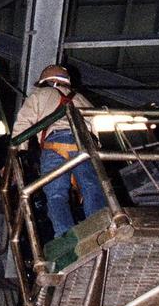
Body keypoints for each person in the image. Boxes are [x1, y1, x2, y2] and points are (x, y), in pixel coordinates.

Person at [11, 64, 107, 238]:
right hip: (83, 144)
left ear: (45, 81)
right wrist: (97, 148)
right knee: (91, 186)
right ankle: (100, 229)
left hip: (54, 146)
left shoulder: (40, 95)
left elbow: (23, 123)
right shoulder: (80, 98)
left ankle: (65, 236)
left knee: (56, 194)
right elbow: (95, 123)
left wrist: (19, 150)